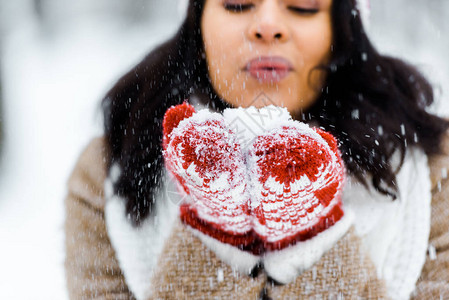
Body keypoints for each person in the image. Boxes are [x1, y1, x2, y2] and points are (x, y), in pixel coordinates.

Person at [64, 0, 449, 299]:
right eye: (236, 3)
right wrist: (217, 235)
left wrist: (309, 240)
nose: (268, 26)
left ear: (343, 29)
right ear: (196, 24)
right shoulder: (109, 170)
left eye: (302, 5)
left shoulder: (432, 170)